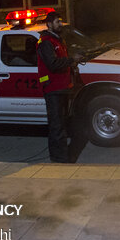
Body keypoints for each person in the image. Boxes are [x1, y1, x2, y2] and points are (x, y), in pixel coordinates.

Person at [36, 11, 83, 163]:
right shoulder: (45, 42)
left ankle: (62, 154)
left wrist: (73, 62)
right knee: (56, 125)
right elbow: (53, 64)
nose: (60, 24)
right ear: (49, 24)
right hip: (53, 89)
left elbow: (62, 61)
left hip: (61, 87)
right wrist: (71, 60)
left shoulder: (57, 40)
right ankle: (59, 158)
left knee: (61, 124)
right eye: (57, 22)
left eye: (60, 22)